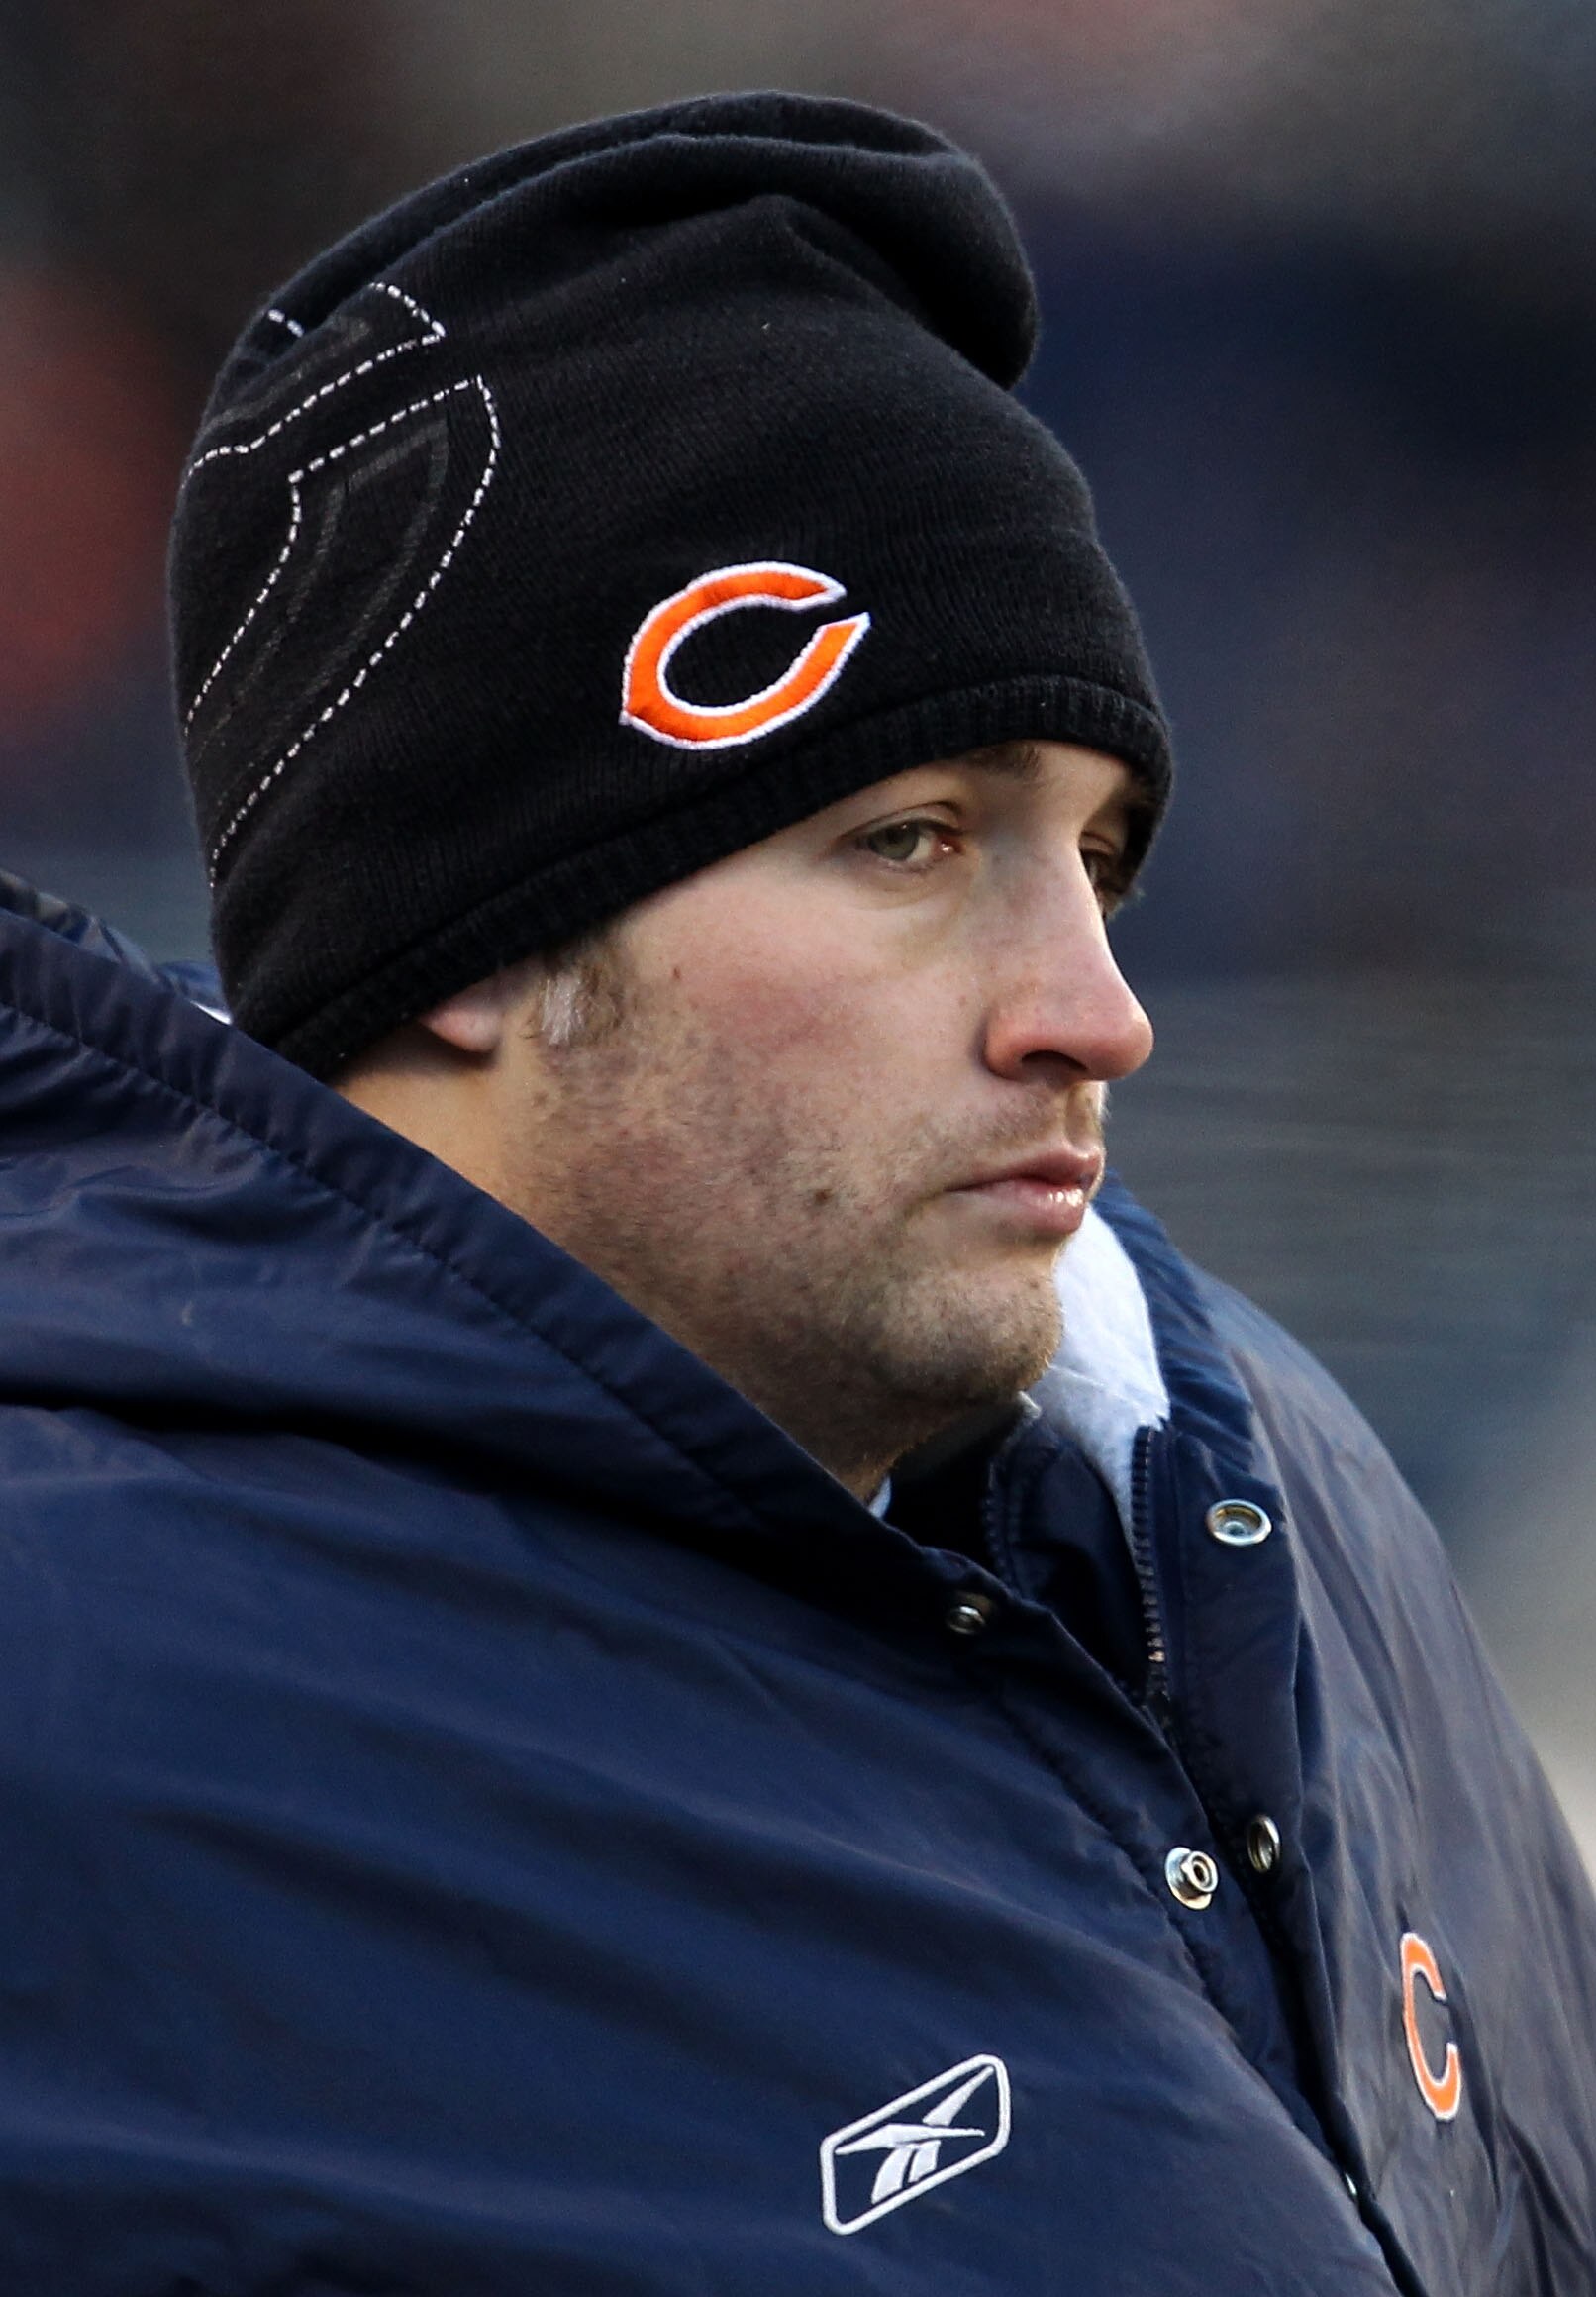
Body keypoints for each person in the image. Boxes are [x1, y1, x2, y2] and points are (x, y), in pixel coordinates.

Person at [0, 90, 1591, 2297]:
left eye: (1097, 856)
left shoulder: (1264, 1480)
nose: (1095, 1008)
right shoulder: (77, 1716)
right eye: (914, 838)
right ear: (473, 939)